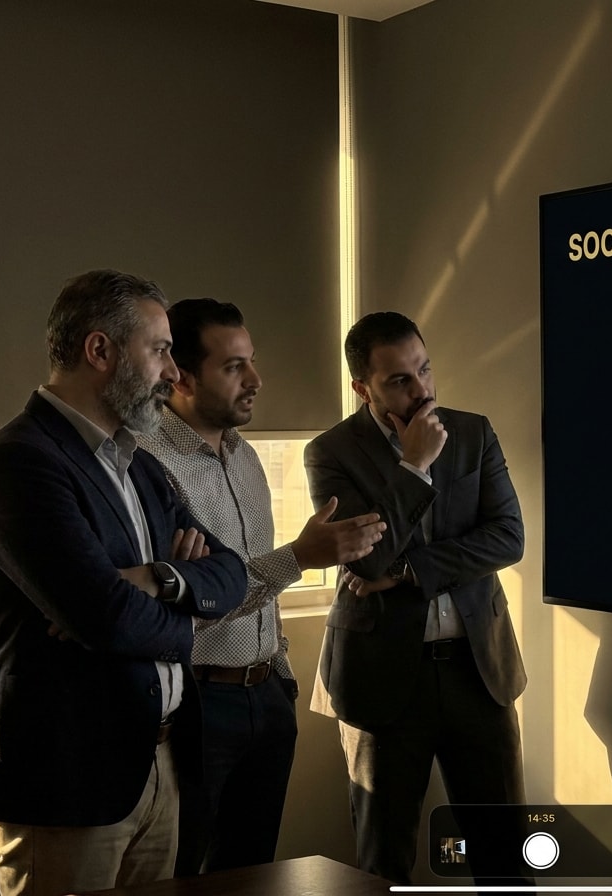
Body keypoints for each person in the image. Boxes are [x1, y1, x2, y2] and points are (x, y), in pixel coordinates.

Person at [0, 269, 249, 896]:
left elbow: (230, 574)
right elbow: (106, 617)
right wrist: (181, 605)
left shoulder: (139, 463)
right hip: (67, 785)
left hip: (160, 767)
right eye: (161, 349)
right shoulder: (19, 463)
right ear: (100, 351)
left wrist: (159, 580)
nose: (173, 371)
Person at [135, 298, 387, 873]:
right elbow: (188, 604)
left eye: (251, 361)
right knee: (187, 872)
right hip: (198, 704)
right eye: (233, 367)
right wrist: (298, 557)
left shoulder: (247, 457)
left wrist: (280, 674)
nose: (256, 380)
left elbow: (231, 582)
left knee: (253, 872)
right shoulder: (148, 467)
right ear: (181, 375)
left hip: (267, 694)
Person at [304, 310, 527, 883]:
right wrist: (414, 464)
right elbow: (368, 558)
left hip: (478, 671)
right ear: (363, 387)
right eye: (400, 380)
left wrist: (409, 574)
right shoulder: (330, 453)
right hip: (381, 678)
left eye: (424, 369)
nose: (422, 389)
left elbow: (508, 537)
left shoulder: (473, 432)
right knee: (384, 863)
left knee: (505, 857)